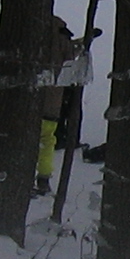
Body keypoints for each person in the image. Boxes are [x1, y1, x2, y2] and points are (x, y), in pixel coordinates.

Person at [34, 14, 86, 197]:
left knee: (26, 138)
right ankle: (43, 179)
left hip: (29, 102)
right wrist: (82, 43)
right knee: (47, 140)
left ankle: (21, 177)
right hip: (52, 103)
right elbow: (70, 58)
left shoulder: (33, 38)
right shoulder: (64, 41)